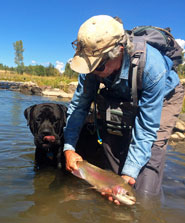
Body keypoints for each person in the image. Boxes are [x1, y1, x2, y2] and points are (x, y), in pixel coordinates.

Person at [63, 15, 184, 204]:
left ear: (119, 51)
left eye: (99, 66)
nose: (93, 73)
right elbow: (79, 107)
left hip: (164, 95)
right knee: (112, 137)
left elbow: (146, 129)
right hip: (121, 92)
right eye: (90, 67)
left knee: (151, 156)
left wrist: (128, 175)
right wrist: (69, 147)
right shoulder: (92, 69)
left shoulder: (152, 67)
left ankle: (145, 204)